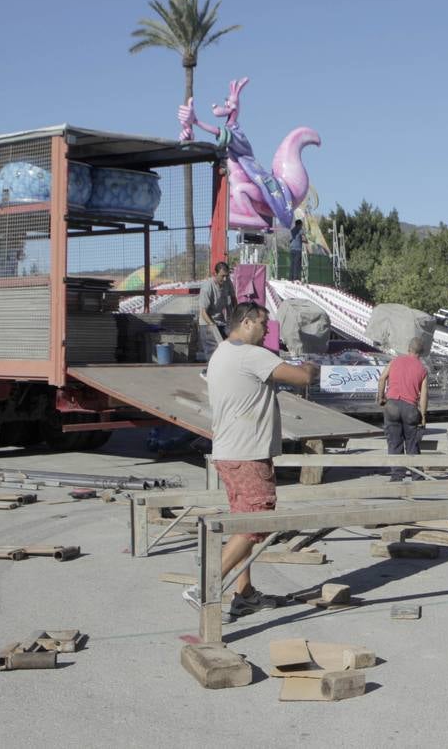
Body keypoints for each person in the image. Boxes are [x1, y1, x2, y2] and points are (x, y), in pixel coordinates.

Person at [186, 301, 318, 622]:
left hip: (230, 451)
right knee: (258, 519)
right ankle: (204, 584)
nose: (266, 331)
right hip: (247, 453)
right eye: (263, 324)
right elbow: (302, 378)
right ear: (246, 323)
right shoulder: (251, 354)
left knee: (244, 521)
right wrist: (311, 367)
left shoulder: (223, 352)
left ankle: (243, 595)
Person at [376, 337, 429, 482]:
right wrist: (423, 416)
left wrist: (381, 398)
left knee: (394, 442)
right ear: (422, 352)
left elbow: (382, 379)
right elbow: (424, 396)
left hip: (392, 405)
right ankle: (417, 476)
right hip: (410, 408)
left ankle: (397, 476)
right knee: (412, 443)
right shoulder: (422, 370)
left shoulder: (395, 361)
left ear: (408, 349)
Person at [198, 261, 236, 356]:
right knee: (213, 352)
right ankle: (211, 369)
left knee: (229, 346)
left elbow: (233, 298)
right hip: (207, 323)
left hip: (220, 321)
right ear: (215, 274)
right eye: (222, 276)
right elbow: (203, 312)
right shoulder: (207, 287)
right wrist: (213, 326)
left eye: (227, 276)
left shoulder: (227, 282)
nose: (225, 278)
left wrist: (236, 316)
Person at [289, 217, 307, 281]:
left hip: (292, 249)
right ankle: (296, 278)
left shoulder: (292, 230)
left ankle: (290, 278)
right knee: (297, 264)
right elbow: (304, 238)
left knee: (292, 263)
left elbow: (290, 240)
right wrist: (306, 241)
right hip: (298, 249)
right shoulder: (300, 230)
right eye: (301, 225)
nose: (301, 226)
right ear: (299, 225)